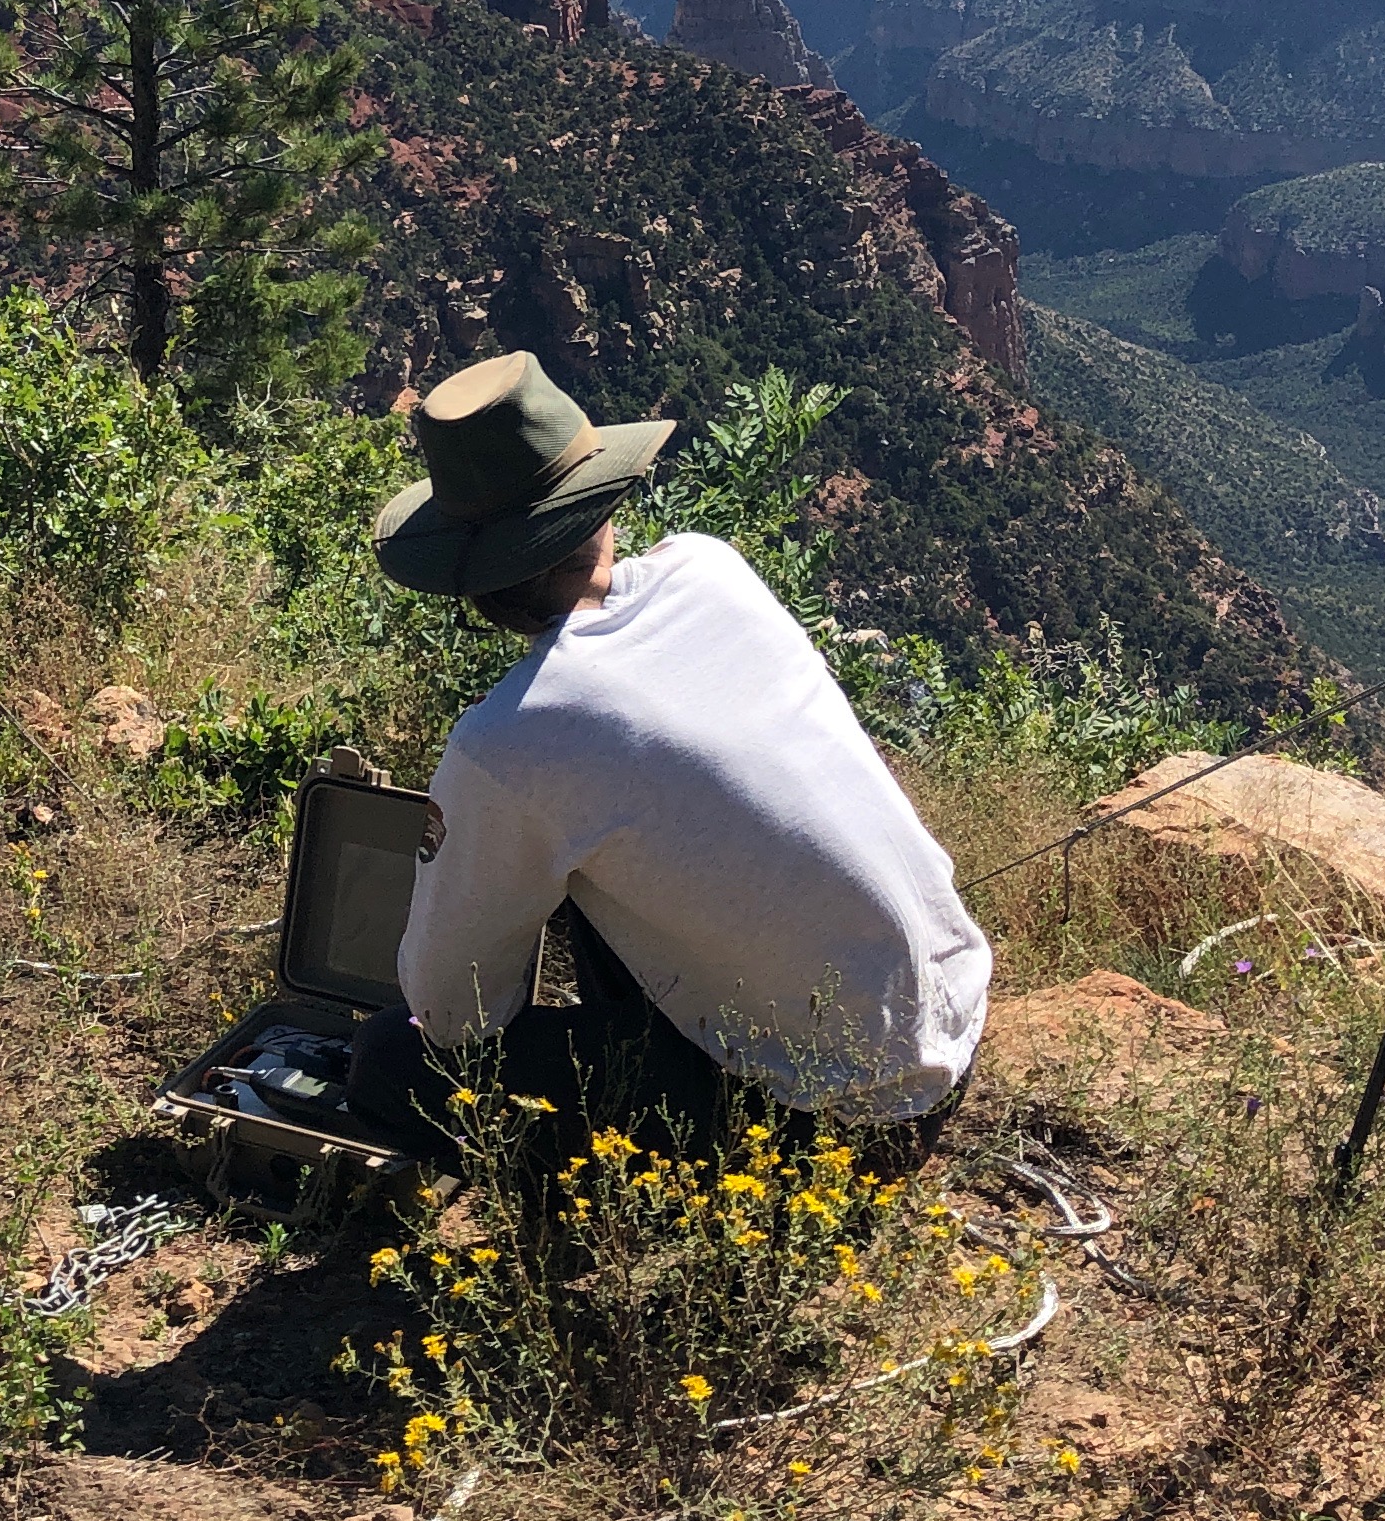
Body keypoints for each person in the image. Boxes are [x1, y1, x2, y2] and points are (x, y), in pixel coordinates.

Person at [350, 350, 992, 1162]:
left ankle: (584, 1204)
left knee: (387, 1064)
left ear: (468, 579)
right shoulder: (709, 568)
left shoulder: (507, 743)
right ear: (600, 508)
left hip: (829, 1113)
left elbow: (453, 1015)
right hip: (950, 1008)